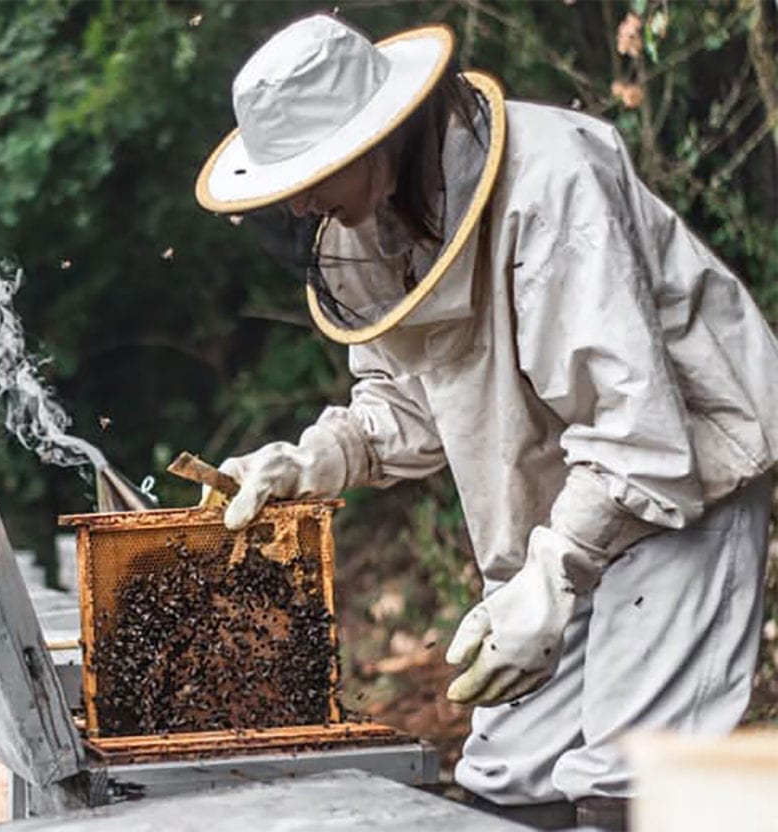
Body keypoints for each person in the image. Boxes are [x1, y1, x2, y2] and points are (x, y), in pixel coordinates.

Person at [194, 13, 777, 831]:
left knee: (632, 782)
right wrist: (313, 459)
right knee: (508, 781)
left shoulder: (555, 184)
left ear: (374, 137)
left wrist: (555, 575)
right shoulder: (373, 229)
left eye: (309, 173)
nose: (297, 202)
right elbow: (407, 404)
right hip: (555, 515)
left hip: (683, 482)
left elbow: (635, 430)